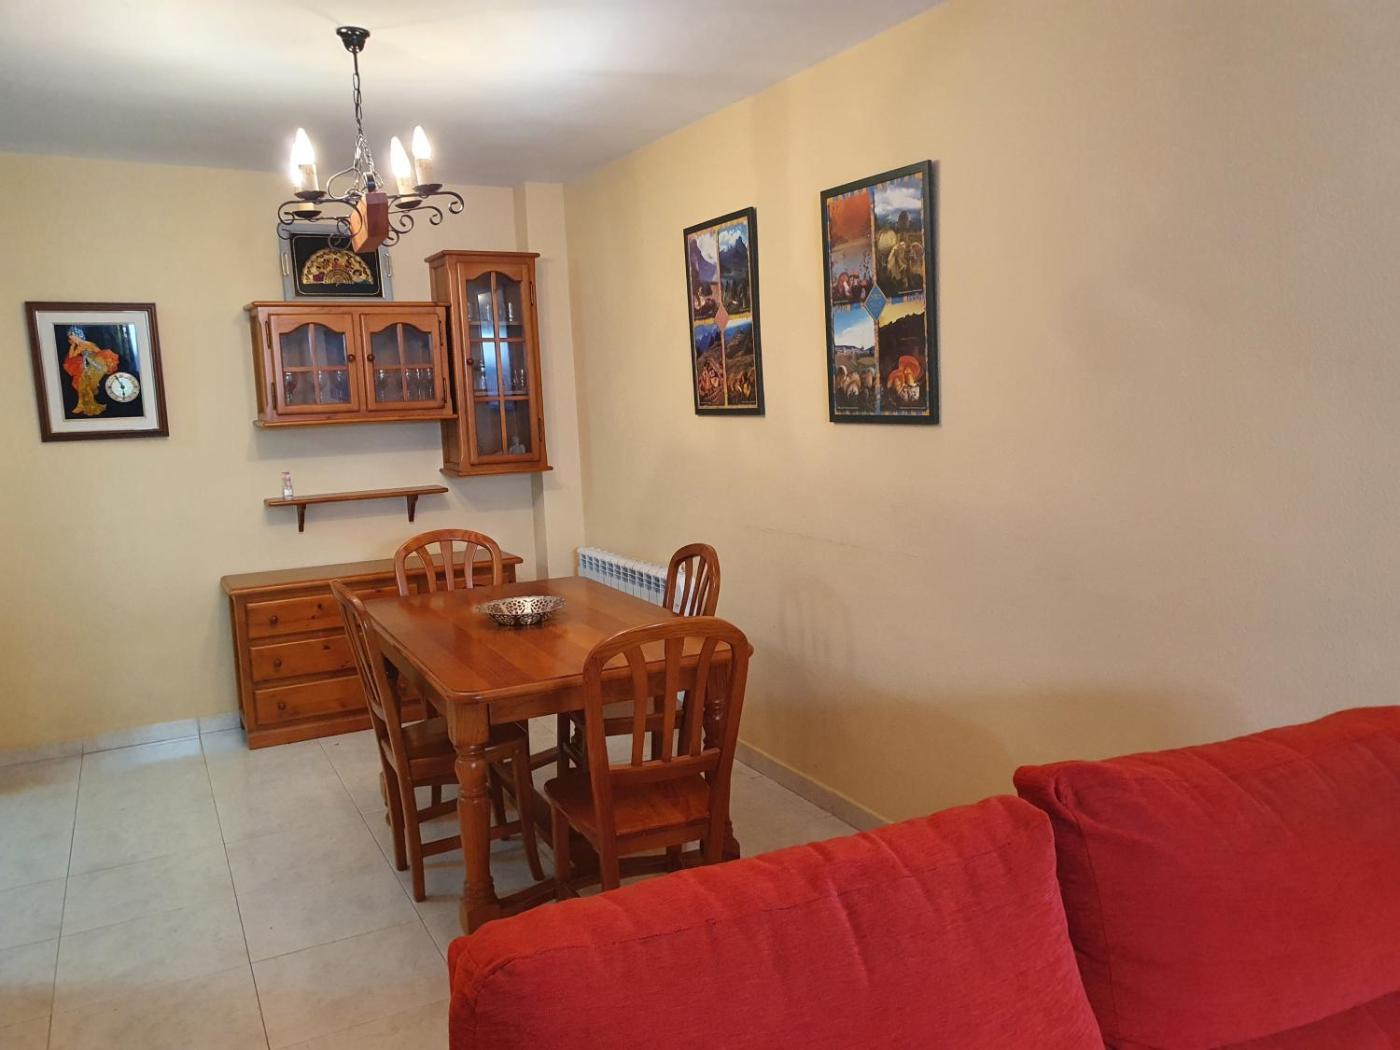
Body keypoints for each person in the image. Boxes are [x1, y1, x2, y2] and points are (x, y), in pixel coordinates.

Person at [61, 327, 119, 416]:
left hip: (98, 364)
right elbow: (71, 356)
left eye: (72, 337)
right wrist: (72, 345)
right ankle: (81, 405)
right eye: (70, 338)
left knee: (84, 382)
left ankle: (86, 406)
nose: (71, 339)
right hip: (92, 365)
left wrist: (98, 365)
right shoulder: (80, 345)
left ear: (77, 336)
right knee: (81, 382)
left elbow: (99, 353)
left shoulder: (85, 344)